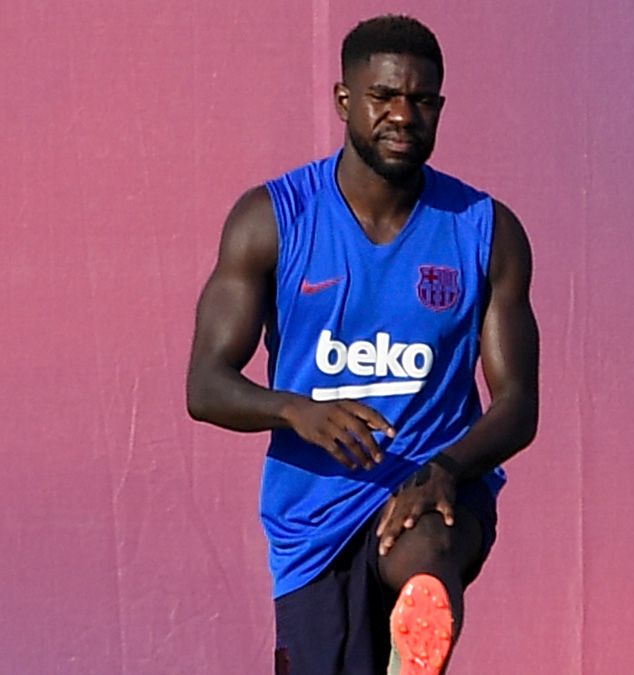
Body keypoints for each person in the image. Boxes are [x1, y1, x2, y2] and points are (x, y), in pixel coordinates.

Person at [186, 15, 538, 675]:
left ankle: (418, 644)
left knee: (426, 548)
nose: (403, 114)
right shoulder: (273, 219)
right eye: (383, 97)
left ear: (439, 106)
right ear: (345, 100)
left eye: (422, 100)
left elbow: (518, 403)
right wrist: (296, 410)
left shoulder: (485, 230)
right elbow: (205, 383)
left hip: (436, 486)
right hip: (312, 516)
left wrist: (446, 469)